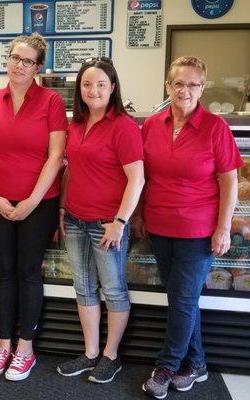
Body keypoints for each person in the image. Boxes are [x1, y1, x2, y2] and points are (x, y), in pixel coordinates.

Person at [138, 56, 242, 399]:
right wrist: (139, 215)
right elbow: (143, 177)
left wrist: (223, 228)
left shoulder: (215, 127)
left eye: (193, 84)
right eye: (178, 83)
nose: (185, 90)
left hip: (198, 230)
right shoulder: (152, 125)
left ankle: (166, 366)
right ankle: (196, 364)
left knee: (181, 301)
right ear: (168, 86)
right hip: (159, 225)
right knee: (182, 299)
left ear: (202, 88)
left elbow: (230, 183)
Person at [0, 33, 67, 381]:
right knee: (4, 271)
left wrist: (30, 201)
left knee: (29, 272)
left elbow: (56, 155)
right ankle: (3, 345)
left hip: (38, 203)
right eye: (14, 57)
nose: (18, 65)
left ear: (38, 67)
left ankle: (25, 348)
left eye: (27, 61)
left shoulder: (51, 101)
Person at [56, 57, 144, 384]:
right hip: (77, 219)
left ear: (113, 88)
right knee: (83, 287)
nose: (94, 90)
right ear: (79, 89)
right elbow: (70, 170)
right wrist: (64, 208)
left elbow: (137, 179)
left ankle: (110, 356)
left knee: (113, 290)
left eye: (101, 84)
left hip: (107, 224)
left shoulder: (124, 127)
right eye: (87, 84)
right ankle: (90, 352)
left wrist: (120, 222)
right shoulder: (75, 124)